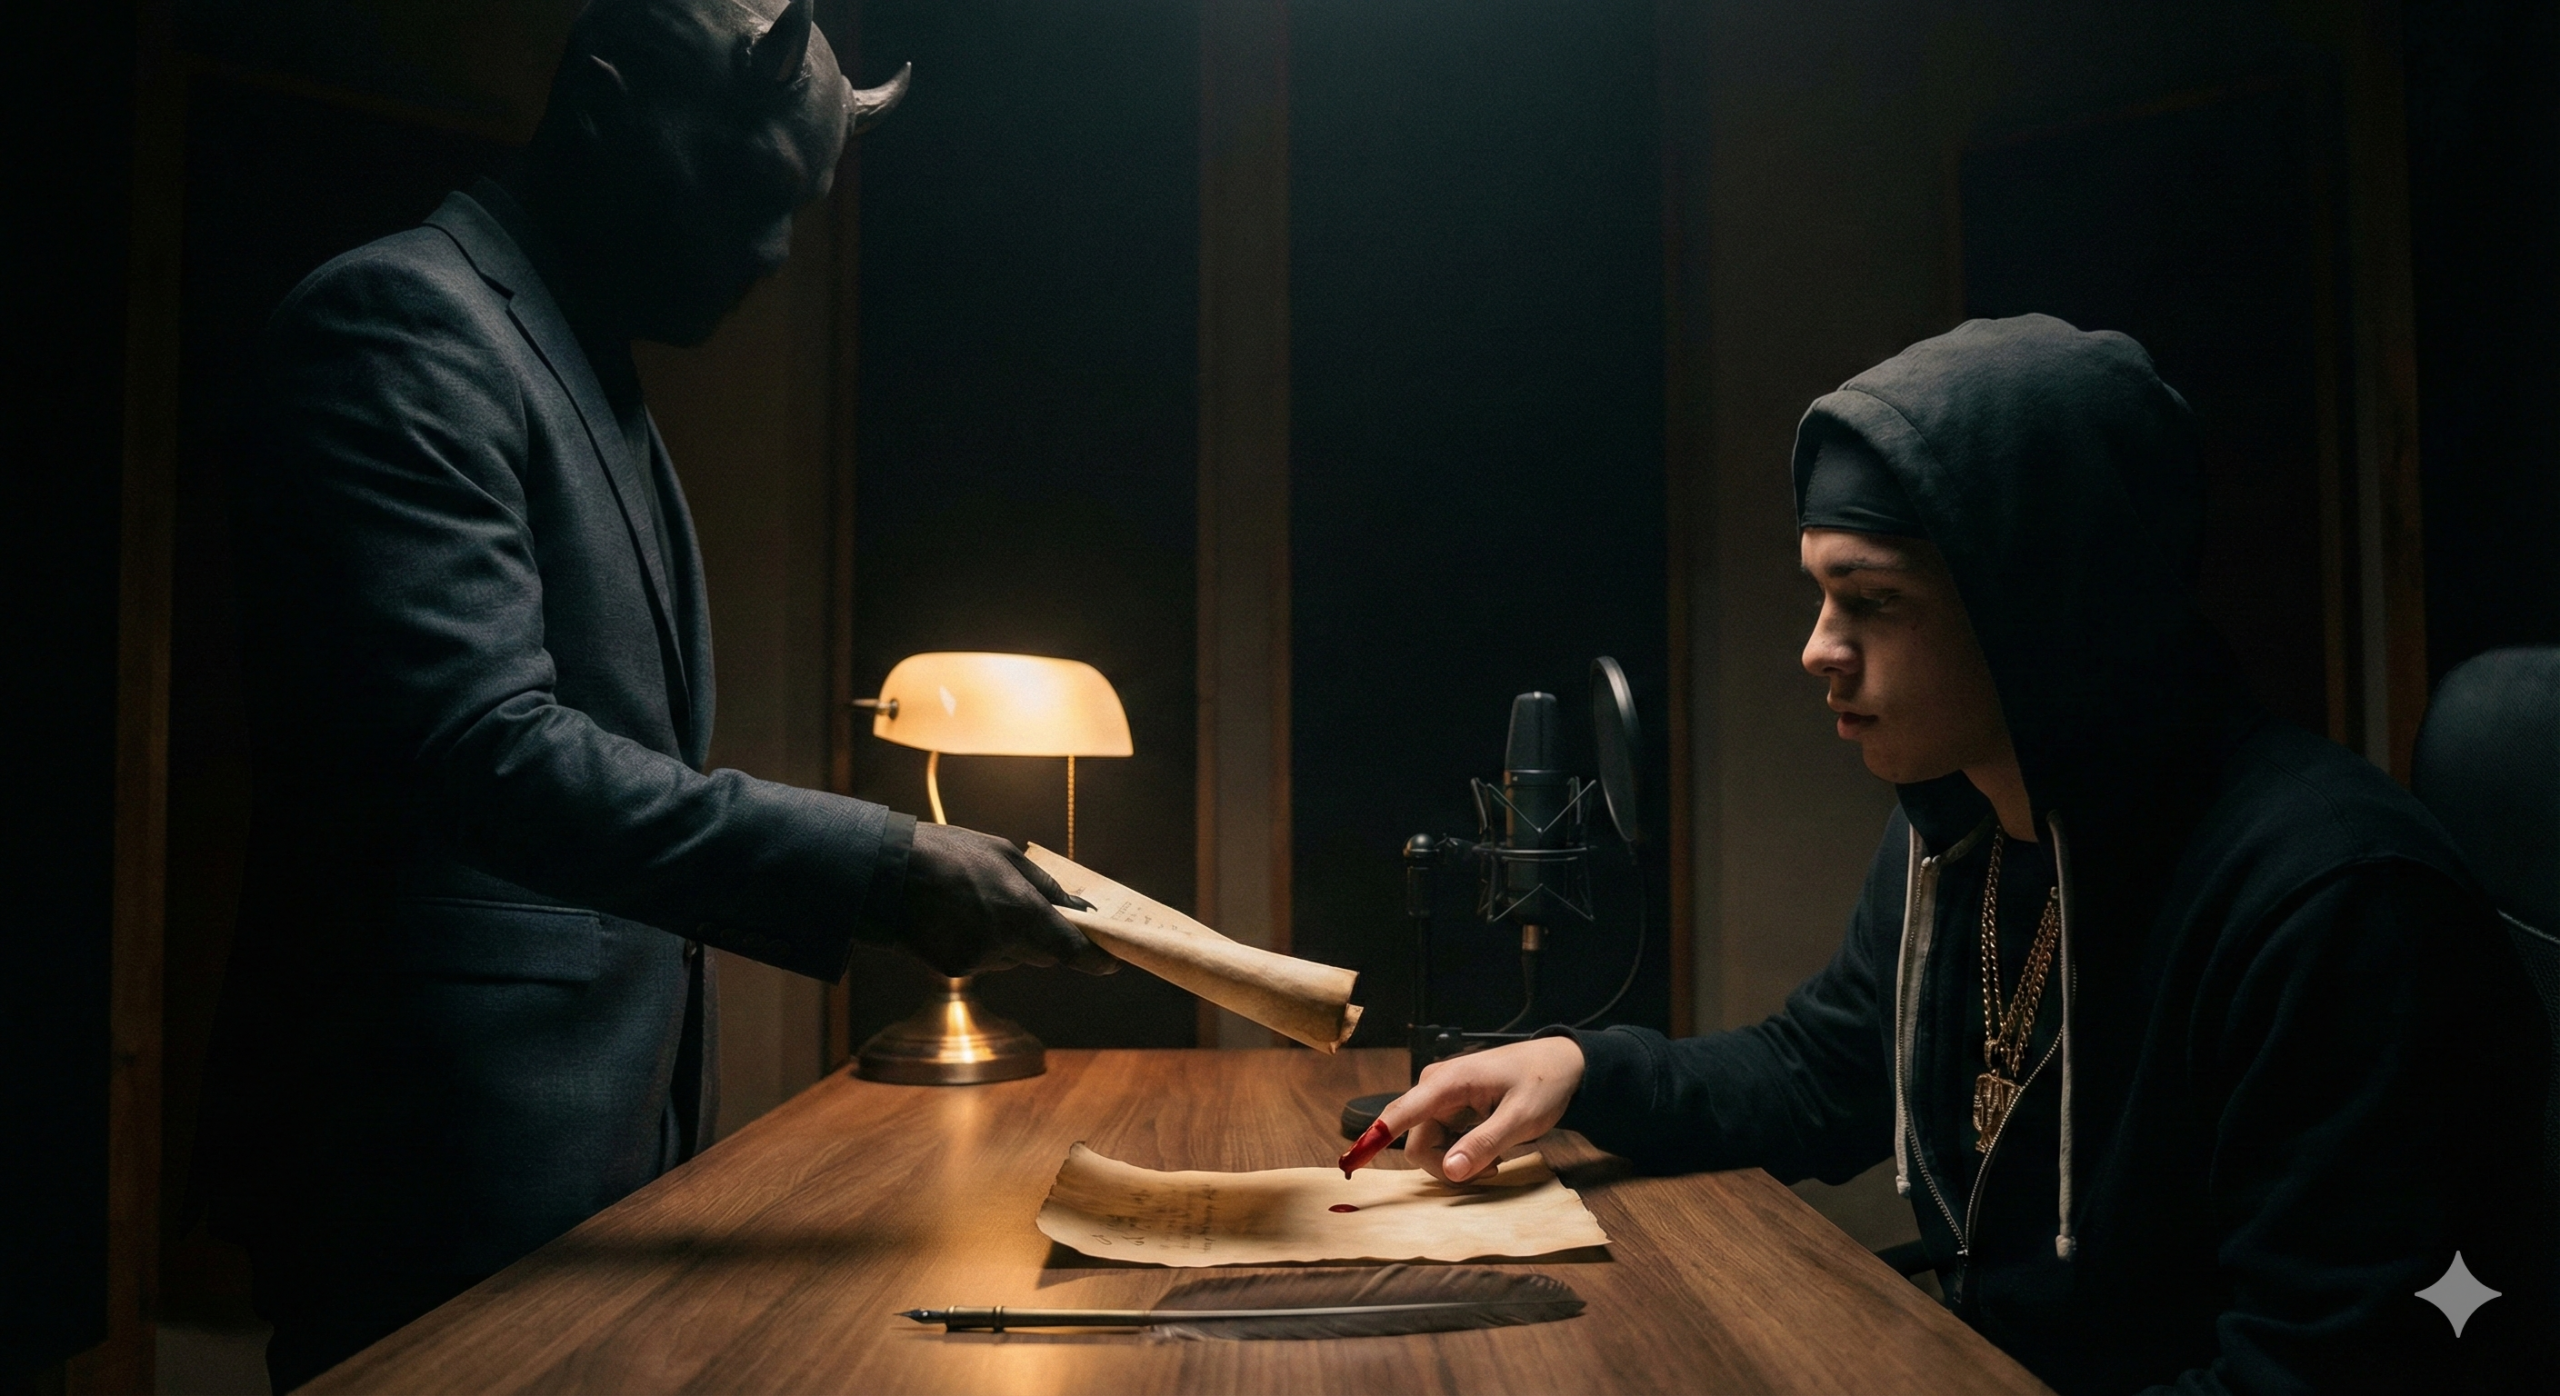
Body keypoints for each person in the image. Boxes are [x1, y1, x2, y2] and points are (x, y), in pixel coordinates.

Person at [198, 2, 1112, 1388]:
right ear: (607, 107)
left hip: (585, 1173)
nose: (772, 252)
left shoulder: (579, 356)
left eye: (796, 208)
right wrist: (883, 864)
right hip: (425, 1176)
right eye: (748, 191)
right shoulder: (401, 326)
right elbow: (486, 753)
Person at [1373, 315, 2550, 1391]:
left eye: (1871, 603)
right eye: (1816, 595)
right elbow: (1822, 1071)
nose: (1815, 651)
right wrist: (1582, 1066)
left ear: (2045, 605)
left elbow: (2325, 1369)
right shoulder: (1962, 823)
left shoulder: (2334, 906)